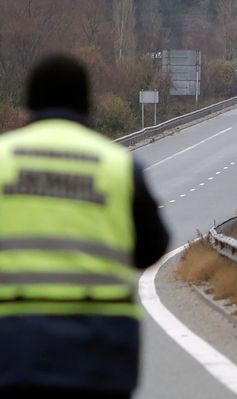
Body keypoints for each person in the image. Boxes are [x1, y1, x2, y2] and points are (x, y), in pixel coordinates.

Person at [0, 55, 169, 399]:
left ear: (30, 100)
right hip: (100, 348)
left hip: (14, 344)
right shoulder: (118, 164)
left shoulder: (3, 158)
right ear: (85, 102)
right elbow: (152, 246)